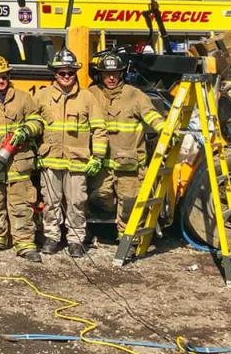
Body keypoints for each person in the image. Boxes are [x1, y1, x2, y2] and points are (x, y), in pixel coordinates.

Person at [32, 48, 107, 258]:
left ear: (75, 73)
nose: (66, 77)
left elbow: (99, 128)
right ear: (54, 74)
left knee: (76, 202)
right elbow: (31, 125)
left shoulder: (87, 98)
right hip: (50, 160)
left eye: (70, 73)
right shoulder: (41, 97)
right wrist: (35, 154)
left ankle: (75, 240)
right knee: (51, 202)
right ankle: (52, 237)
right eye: (61, 72)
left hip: (77, 161)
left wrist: (98, 157)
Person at [87, 53, 165, 241]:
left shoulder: (134, 95)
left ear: (121, 73)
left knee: (129, 203)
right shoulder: (91, 94)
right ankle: (110, 223)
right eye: (107, 74)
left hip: (129, 165)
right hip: (102, 166)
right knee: (99, 196)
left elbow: (151, 115)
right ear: (100, 75)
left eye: (115, 73)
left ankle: (127, 239)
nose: (111, 78)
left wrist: (165, 130)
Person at [0, 55, 42, 262]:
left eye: (4, 76)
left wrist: (25, 131)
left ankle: (25, 243)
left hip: (19, 163)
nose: (1, 81)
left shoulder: (23, 98)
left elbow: (37, 121)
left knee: (21, 203)